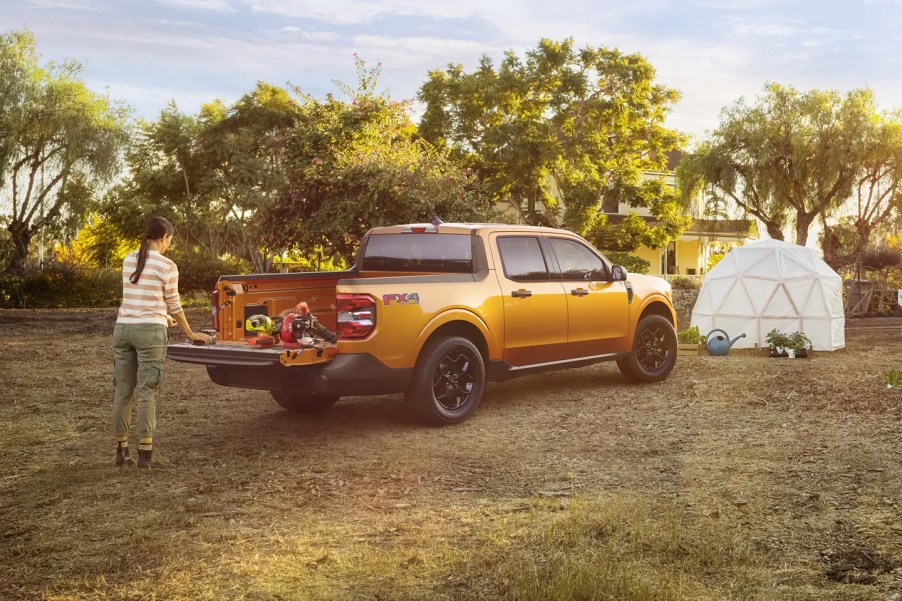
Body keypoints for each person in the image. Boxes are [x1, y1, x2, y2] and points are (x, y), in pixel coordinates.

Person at [112, 216, 210, 468]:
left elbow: (139, 299)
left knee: (123, 391)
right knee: (147, 391)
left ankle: (121, 450)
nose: (170, 245)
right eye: (170, 240)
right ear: (164, 237)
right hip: (150, 335)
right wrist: (190, 334)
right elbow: (174, 305)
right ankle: (145, 453)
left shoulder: (128, 260)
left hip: (123, 329)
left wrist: (161, 317)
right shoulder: (167, 265)